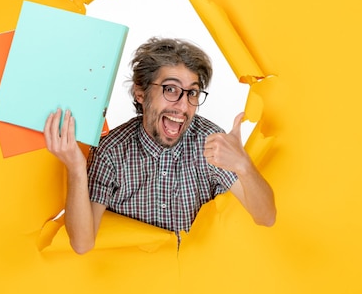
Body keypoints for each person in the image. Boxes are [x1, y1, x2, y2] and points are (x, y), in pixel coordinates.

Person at [44, 37, 276, 254]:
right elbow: (82, 243)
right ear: (141, 93)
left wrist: (243, 165)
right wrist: (75, 167)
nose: (183, 106)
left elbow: (265, 217)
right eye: (171, 90)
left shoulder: (210, 142)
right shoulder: (111, 151)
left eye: (192, 93)